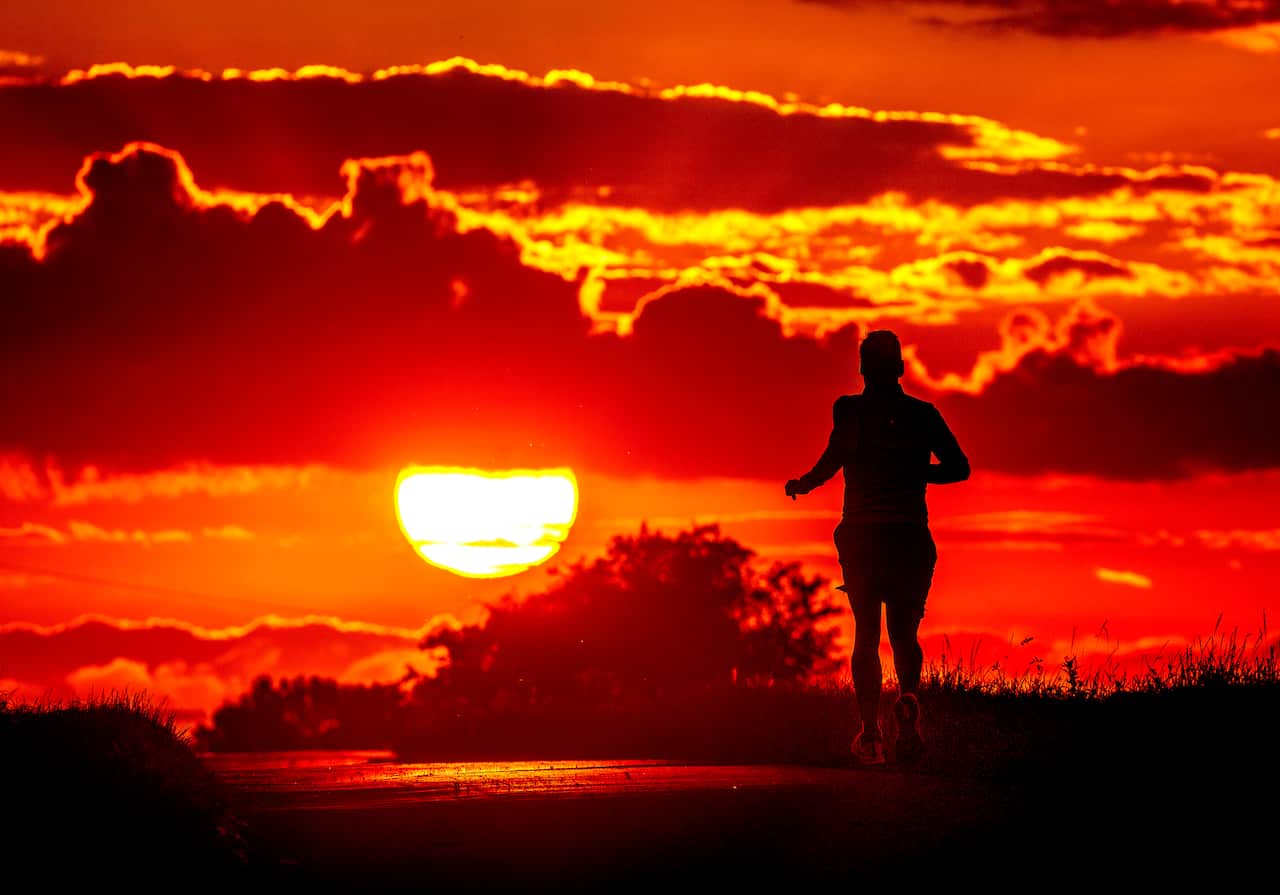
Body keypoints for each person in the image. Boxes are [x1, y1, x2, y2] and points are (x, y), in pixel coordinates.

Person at [785, 330, 969, 765]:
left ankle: (870, 733)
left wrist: (804, 484)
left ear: (862, 368)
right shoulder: (924, 414)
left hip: (863, 534)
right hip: (909, 534)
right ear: (901, 368)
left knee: (866, 633)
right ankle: (908, 698)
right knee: (904, 632)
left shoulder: (849, 409)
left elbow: (835, 456)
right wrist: (915, 472)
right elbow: (959, 468)